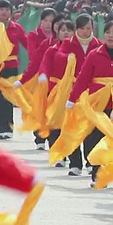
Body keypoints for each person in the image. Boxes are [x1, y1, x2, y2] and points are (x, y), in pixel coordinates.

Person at [66, 21, 113, 188]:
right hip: (97, 103)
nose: (110, 35)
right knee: (94, 138)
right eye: (107, 32)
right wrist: (72, 99)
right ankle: (97, 173)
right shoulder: (94, 55)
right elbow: (83, 78)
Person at [58, 13, 102, 176]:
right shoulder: (69, 44)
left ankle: (90, 160)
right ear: (77, 29)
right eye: (82, 29)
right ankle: (75, 162)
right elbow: (59, 55)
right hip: (72, 88)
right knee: (72, 125)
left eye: (89, 28)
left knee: (90, 127)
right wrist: (68, 58)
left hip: (92, 91)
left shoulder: (98, 45)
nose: (85, 32)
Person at [0, 0, 27, 140]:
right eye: (1, 9)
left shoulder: (17, 27)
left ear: (11, 12)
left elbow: (26, 43)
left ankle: (8, 127)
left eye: (7, 9)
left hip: (11, 67)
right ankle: (0, 127)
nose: (4, 12)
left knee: (8, 98)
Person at [38, 20, 77, 168]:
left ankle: (74, 159)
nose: (66, 33)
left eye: (69, 30)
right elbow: (45, 64)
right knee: (54, 123)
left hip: (72, 91)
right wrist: (43, 75)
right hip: (54, 90)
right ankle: (58, 154)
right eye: (63, 30)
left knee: (69, 125)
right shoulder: (52, 50)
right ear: (57, 33)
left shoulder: (77, 51)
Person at [18, 7, 57, 150]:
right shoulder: (34, 35)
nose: (48, 24)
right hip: (37, 75)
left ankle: (52, 137)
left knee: (52, 107)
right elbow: (33, 55)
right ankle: (39, 137)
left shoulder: (59, 37)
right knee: (38, 105)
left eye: (51, 21)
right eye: (45, 20)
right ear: (40, 21)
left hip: (55, 76)